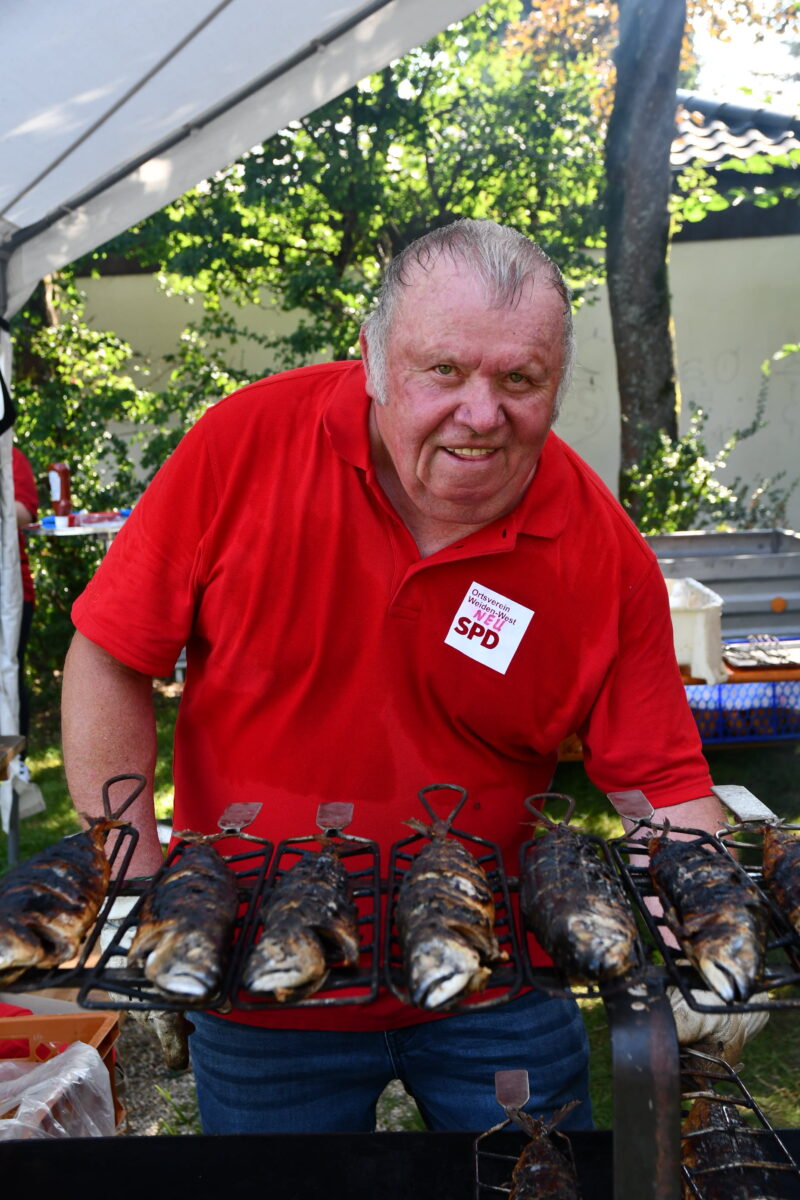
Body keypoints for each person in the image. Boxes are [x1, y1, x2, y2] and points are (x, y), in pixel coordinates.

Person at [61, 219, 748, 1136]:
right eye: (444, 371)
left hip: (494, 971)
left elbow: (658, 779)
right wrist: (133, 879)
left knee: (531, 1191)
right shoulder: (245, 448)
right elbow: (112, 651)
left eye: (519, 379)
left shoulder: (599, 551)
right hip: (263, 975)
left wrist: (713, 929)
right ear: (376, 360)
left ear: (555, 382)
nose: (481, 412)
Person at [12, 446, 38, 753]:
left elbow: (25, 511)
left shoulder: (9, 455)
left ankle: (16, 763)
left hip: (11, 590)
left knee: (8, 671)